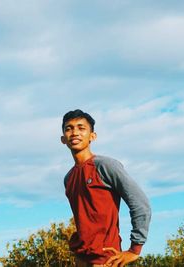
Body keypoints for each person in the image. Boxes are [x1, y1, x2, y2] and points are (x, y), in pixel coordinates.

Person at [61, 109, 151, 267]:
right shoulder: (69, 178)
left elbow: (140, 204)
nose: (75, 132)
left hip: (106, 259)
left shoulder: (106, 166)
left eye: (81, 128)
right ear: (63, 139)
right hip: (81, 259)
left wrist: (135, 249)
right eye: (69, 128)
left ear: (92, 136)